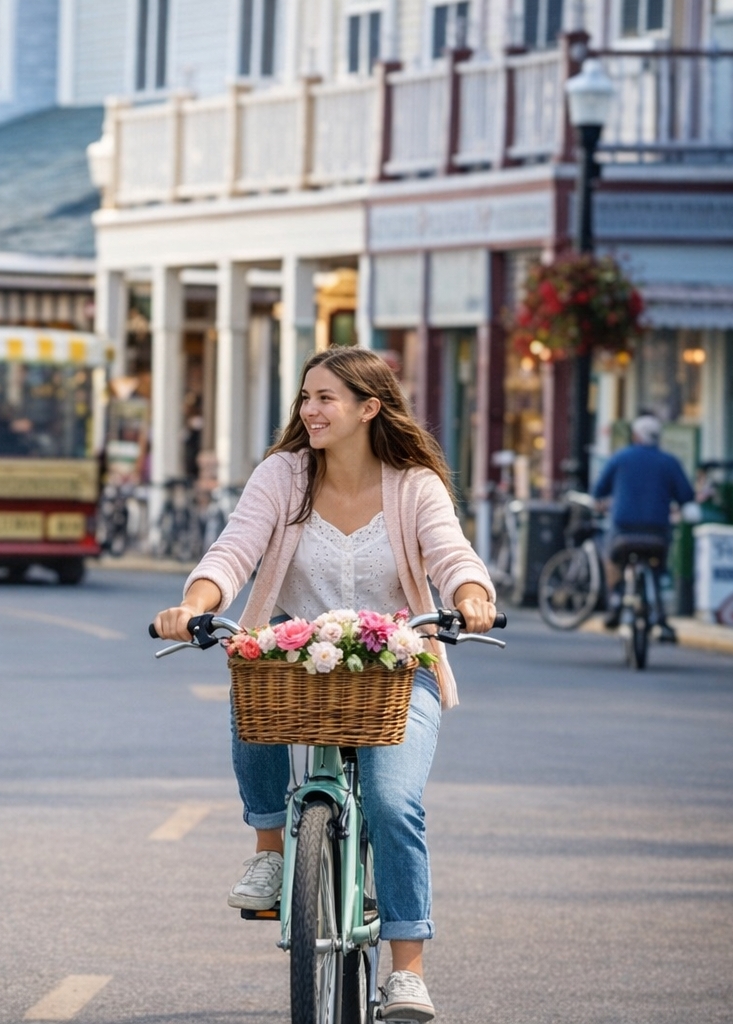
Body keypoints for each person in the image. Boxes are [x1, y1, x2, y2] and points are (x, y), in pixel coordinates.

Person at [151, 347, 497, 1024]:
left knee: (395, 804)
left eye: (325, 398)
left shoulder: (414, 484)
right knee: (249, 676)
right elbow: (234, 549)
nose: (309, 410)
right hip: (299, 655)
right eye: (305, 397)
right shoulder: (282, 475)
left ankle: (406, 974)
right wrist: (193, 605)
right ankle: (271, 852)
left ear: (369, 408)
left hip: (396, 666)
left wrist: (472, 593)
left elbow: (452, 552)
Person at [592, 413, 695, 641]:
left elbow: (598, 490)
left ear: (636, 436)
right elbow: (686, 495)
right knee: (656, 569)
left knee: (610, 556)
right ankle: (661, 616)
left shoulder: (620, 458)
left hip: (623, 532)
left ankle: (617, 599)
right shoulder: (669, 461)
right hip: (657, 533)